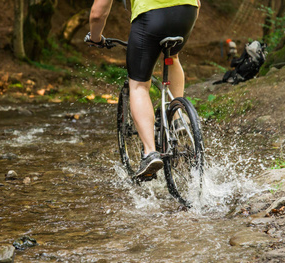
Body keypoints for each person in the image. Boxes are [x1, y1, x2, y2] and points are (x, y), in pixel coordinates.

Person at [85, 0, 200, 180]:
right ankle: (176, 118)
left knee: (138, 84)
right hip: (187, 12)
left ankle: (150, 153)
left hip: (151, 17)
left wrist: (95, 38)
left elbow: (97, 14)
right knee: (172, 56)